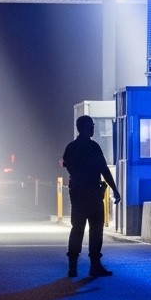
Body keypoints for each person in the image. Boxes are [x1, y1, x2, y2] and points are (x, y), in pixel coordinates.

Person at [61, 115, 122, 278]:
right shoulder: (93, 147)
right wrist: (115, 189)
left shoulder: (71, 147)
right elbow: (104, 169)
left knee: (77, 228)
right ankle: (95, 265)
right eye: (91, 126)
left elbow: (66, 164)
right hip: (93, 194)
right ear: (85, 127)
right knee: (96, 228)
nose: (93, 128)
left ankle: (72, 266)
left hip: (77, 194)